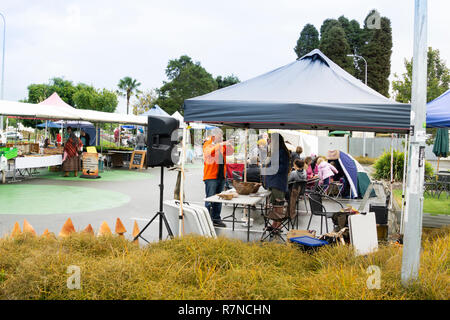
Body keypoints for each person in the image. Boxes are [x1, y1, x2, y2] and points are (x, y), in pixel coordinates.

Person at [203, 129, 234, 227]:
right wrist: (220, 144)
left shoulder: (221, 144)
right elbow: (208, 153)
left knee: (219, 199)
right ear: (214, 136)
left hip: (221, 176)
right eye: (220, 136)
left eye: (222, 136)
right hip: (211, 176)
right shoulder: (207, 143)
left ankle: (216, 219)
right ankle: (207, 220)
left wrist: (229, 145)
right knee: (210, 199)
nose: (221, 137)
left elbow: (230, 153)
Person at [262, 133, 290, 233]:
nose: (269, 142)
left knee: (278, 205)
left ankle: (278, 226)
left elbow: (281, 168)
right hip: (274, 182)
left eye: (271, 140)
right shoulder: (277, 151)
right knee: (275, 205)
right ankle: (275, 225)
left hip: (277, 182)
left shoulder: (281, 152)